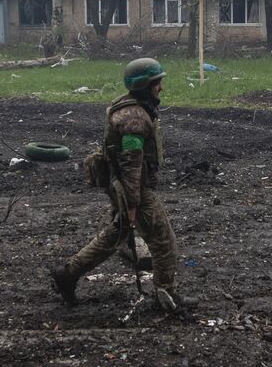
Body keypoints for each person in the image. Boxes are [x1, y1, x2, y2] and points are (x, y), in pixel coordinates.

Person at [52, 58, 196, 312]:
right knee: (163, 241)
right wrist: (132, 203)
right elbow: (132, 164)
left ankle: (68, 274)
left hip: (124, 185)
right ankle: (166, 293)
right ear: (146, 85)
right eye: (157, 82)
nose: (160, 87)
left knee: (117, 234)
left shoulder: (132, 107)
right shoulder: (135, 118)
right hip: (134, 188)